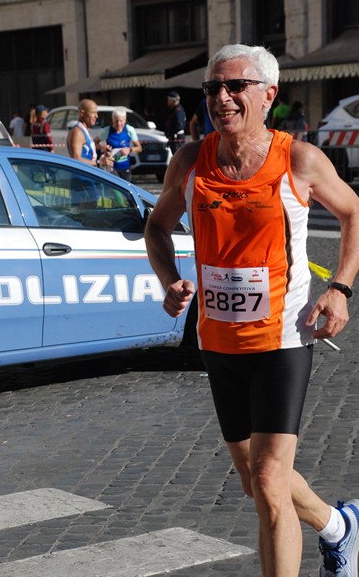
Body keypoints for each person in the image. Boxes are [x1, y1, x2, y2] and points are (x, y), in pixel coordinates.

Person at [144, 43, 359, 577]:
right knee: (256, 478)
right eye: (214, 87)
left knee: (267, 482)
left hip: (283, 339)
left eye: (235, 86)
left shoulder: (299, 160)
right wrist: (170, 280)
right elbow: (156, 226)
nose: (222, 97)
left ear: (268, 94)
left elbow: (355, 212)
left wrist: (341, 289)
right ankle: (339, 528)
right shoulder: (192, 160)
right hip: (218, 341)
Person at [94, 107, 142, 181]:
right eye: (116, 121)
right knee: (115, 191)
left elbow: (139, 148)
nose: (119, 124)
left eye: (121, 121)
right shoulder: (107, 130)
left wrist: (129, 150)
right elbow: (94, 143)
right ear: (112, 120)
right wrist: (102, 147)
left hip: (125, 168)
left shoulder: (129, 130)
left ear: (125, 121)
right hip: (112, 167)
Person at [66, 98, 113, 170]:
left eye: (96, 113)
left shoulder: (84, 130)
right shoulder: (77, 132)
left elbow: (86, 148)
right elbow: (75, 158)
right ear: (82, 113)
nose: (96, 116)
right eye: (93, 113)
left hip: (88, 175)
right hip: (81, 178)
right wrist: (98, 163)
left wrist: (101, 148)